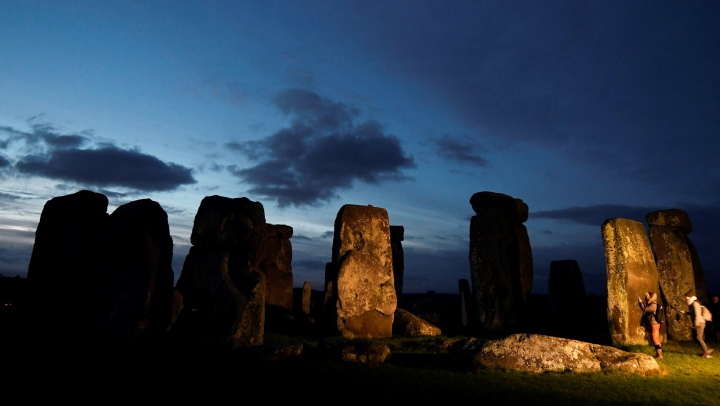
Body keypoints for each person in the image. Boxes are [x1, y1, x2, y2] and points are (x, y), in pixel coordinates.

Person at [683, 294, 714, 358]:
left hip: (700, 322)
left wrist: (696, 324)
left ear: (690, 297)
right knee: (699, 337)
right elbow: (693, 313)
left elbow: (697, 314)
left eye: (686, 298)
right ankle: (706, 351)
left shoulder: (695, 304)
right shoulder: (693, 304)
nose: (685, 299)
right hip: (700, 322)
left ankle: (707, 352)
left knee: (699, 337)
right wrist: (685, 313)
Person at [638, 292, 663, 359]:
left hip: (654, 323)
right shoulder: (655, 304)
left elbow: (644, 309)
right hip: (657, 323)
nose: (647, 299)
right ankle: (659, 354)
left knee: (654, 338)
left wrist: (640, 302)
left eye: (648, 298)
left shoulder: (652, 306)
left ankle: (659, 355)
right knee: (657, 338)